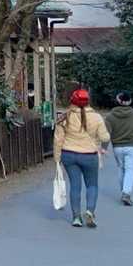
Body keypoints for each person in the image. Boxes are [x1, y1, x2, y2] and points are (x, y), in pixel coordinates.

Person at [55, 88, 110, 228]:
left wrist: (57, 158)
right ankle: (90, 211)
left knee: (75, 185)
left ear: (72, 101)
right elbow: (105, 137)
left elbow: (58, 139)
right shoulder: (97, 117)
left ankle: (76, 217)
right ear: (88, 101)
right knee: (92, 185)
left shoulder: (65, 117)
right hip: (89, 156)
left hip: (69, 154)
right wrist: (100, 144)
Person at [104, 91, 133, 207]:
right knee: (130, 170)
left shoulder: (110, 116)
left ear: (117, 101)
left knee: (121, 168)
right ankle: (126, 193)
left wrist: (104, 148)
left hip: (117, 147)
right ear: (130, 101)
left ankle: (124, 192)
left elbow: (106, 134)